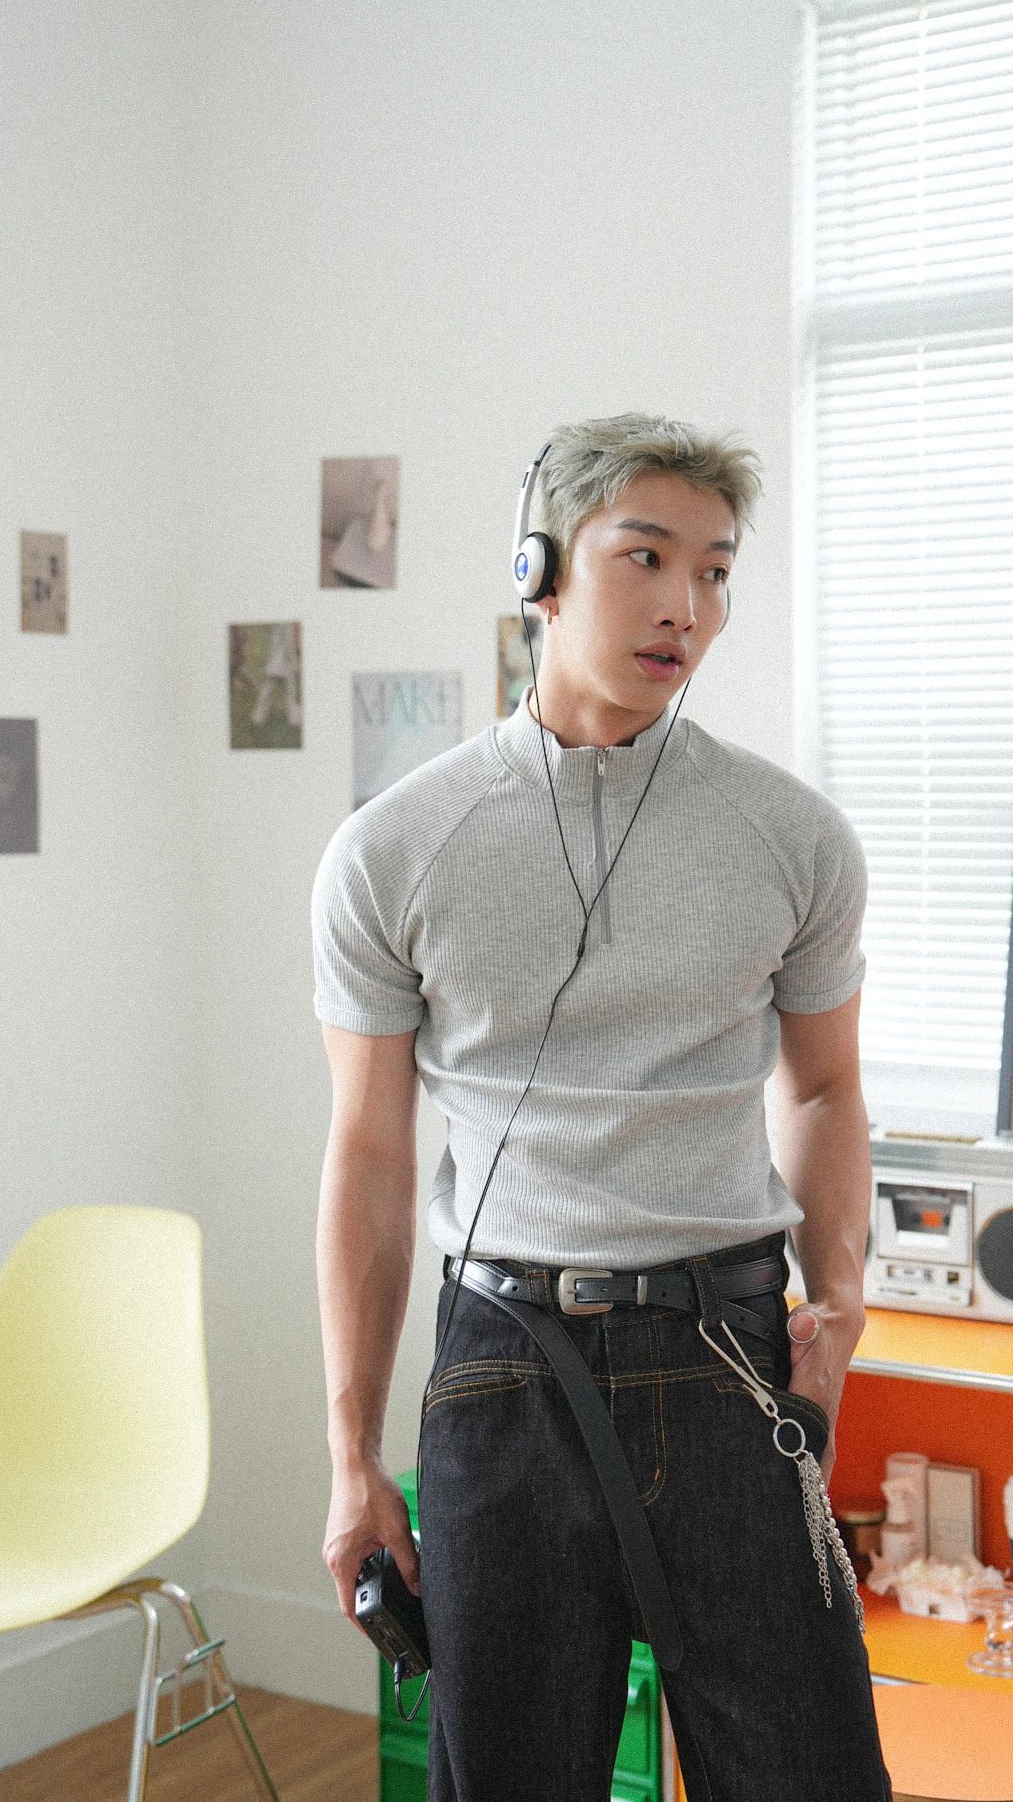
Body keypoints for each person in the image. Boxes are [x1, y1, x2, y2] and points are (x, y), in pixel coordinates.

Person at [312, 414, 891, 1801]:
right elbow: (372, 1154)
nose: (686, 605)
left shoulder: (794, 838)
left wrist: (840, 1300)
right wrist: (350, 1455)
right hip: (500, 1367)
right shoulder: (390, 851)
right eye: (646, 558)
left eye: (715, 570)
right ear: (542, 570)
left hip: (729, 1353)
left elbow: (822, 1084)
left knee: (807, 1775)